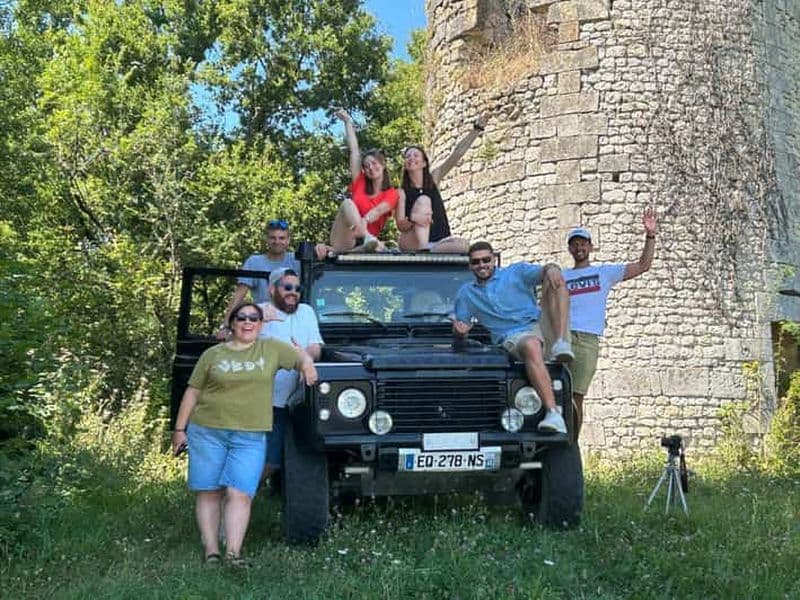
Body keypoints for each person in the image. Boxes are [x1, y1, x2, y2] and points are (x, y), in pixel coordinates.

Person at [171, 302, 318, 567]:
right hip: (207, 432)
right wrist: (179, 429)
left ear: (261, 324)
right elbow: (192, 392)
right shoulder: (212, 354)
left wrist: (307, 363)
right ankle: (212, 553)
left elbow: (300, 357)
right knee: (209, 491)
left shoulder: (271, 348)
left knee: (241, 493)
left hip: (250, 436)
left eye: (254, 318)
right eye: (242, 317)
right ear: (232, 322)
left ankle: (233, 554)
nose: (248, 322)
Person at [453, 241, 573, 434]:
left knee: (557, 280)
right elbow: (461, 326)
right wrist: (460, 331)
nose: (482, 265)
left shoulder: (515, 272)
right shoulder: (467, 293)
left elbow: (545, 270)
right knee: (531, 344)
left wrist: (552, 269)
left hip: (542, 323)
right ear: (470, 265)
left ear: (495, 260)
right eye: (476, 262)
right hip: (514, 335)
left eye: (486, 260)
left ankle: (560, 342)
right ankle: (553, 413)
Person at [563, 208, 657, 436]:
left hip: (586, 340)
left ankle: (571, 446)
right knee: (557, 392)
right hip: (562, 337)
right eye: (575, 244)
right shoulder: (562, 276)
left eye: (583, 243)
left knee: (576, 396)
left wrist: (650, 235)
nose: (579, 248)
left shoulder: (604, 273)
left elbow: (643, 265)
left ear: (591, 247)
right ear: (569, 249)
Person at [258, 268, 323, 492]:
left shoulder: (306, 312)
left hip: (299, 400)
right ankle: (238, 497)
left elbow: (316, 348)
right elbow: (234, 343)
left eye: (297, 288)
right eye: (287, 287)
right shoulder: (258, 311)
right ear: (272, 288)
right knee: (267, 461)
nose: (293, 292)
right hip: (265, 402)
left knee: (283, 460)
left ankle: (240, 500)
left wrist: (302, 356)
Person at [395, 116, 487, 253]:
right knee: (423, 202)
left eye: (415, 155)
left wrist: (476, 130)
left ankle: (431, 251)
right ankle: (424, 248)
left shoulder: (434, 178)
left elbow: (457, 154)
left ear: (424, 163)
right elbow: (400, 225)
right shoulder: (401, 192)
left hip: (439, 242)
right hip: (414, 240)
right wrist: (415, 219)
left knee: (464, 245)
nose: (411, 158)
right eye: (408, 156)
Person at [322, 108, 399, 255]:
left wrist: (364, 221)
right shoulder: (360, 183)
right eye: (366, 166)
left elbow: (378, 211)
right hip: (346, 237)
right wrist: (347, 122)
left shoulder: (392, 193)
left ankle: (363, 248)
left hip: (367, 241)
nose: (371, 168)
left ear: (383, 165)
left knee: (375, 246)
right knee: (347, 203)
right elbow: (354, 151)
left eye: (374, 163)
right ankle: (366, 242)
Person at [218, 219, 300, 339]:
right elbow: (239, 295)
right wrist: (226, 326)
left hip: (292, 322)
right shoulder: (254, 262)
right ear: (266, 239)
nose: (277, 241)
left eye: (282, 238)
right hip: (264, 322)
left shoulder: (298, 260)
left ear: (288, 240)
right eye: (273, 238)